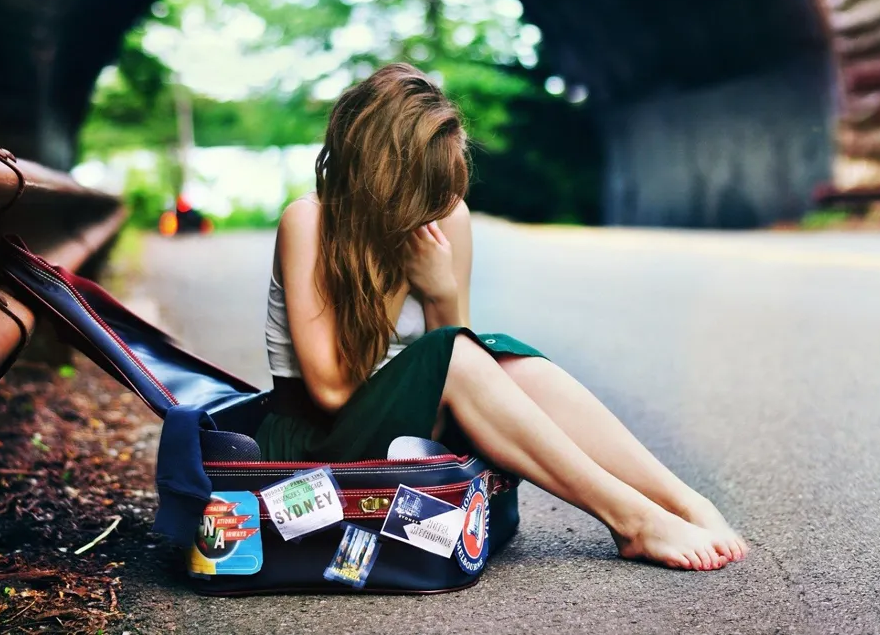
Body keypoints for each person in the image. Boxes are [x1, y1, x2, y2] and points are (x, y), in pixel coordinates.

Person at [254, 63, 747, 571]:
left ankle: (683, 503)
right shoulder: (309, 221)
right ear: (384, 172)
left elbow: (455, 347)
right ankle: (633, 520)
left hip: (405, 431)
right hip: (320, 445)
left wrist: (440, 291)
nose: (437, 202)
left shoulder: (446, 214)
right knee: (465, 359)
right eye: (423, 185)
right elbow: (332, 391)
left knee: (512, 361)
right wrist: (402, 281)